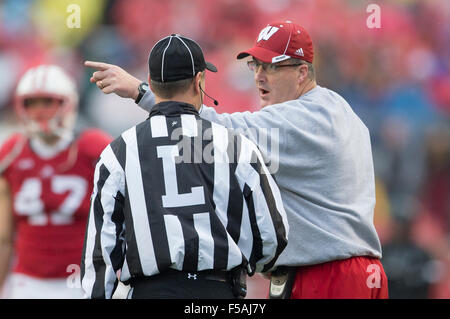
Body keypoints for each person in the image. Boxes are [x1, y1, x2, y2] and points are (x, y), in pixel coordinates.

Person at [86, 21, 388, 299]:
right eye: (255, 65)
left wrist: (144, 93)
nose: (259, 75)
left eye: (272, 67)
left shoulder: (304, 119)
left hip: (328, 275)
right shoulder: (337, 108)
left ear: (302, 72)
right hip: (351, 271)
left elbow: (213, 133)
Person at [80, 34, 289, 299]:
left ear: (151, 82)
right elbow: (272, 233)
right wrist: (252, 265)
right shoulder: (236, 145)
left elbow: (101, 251)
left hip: (150, 291)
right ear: (198, 80)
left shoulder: (118, 151)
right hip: (218, 290)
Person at [0, 64, 112, 298]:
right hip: (27, 280)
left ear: (67, 103)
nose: (40, 111)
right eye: (32, 102)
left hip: (82, 278)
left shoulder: (92, 147)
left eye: (48, 102)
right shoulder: (12, 153)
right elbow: (3, 237)